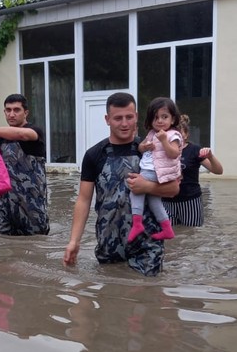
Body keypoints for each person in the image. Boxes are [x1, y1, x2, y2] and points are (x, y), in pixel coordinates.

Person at [63, 92, 179, 277]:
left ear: (137, 117)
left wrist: (148, 187)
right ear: (107, 119)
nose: (124, 124)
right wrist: (74, 241)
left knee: (148, 294)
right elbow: (84, 200)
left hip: (147, 242)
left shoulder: (152, 149)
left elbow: (174, 189)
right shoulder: (94, 154)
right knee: (110, 297)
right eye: (118, 118)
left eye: (129, 117)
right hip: (109, 240)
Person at [0, 94, 49, 236]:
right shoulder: (0, 140)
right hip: (4, 204)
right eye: (8, 110)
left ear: (26, 112)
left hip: (30, 205)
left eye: (16, 110)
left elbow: (21, 135)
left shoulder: (35, 132)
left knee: (35, 247)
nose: (11, 114)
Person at [128, 97, 182, 243]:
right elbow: (140, 147)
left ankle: (137, 224)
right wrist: (144, 147)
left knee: (135, 190)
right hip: (151, 170)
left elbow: (174, 154)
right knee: (154, 200)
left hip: (156, 172)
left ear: (173, 119)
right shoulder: (152, 133)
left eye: (164, 117)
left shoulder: (173, 135)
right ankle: (167, 229)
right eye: (156, 117)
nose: (159, 121)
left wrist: (164, 141)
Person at [161, 115, 224, 227]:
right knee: (170, 238)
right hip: (167, 201)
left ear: (186, 134)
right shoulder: (163, 150)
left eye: (180, 132)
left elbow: (218, 171)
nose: (176, 135)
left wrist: (210, 156)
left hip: (190, 201)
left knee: (191, 234)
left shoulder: (194, 150)